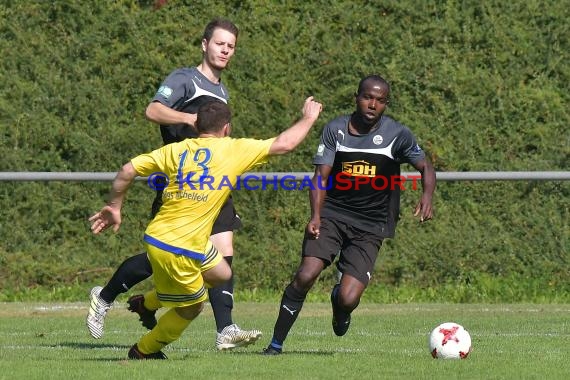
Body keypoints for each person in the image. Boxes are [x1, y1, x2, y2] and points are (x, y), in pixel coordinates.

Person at [89, 97, 323, 359]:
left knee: (221, 273)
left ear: (196, 125)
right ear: (227, 128)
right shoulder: (234, 149)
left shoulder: (176, 150)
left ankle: (146, 303)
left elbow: (127, 169)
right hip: (179, 247)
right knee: (192, 308)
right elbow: (285, 144)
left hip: (170, 238)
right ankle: (143, 351)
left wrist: (114, 206)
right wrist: (309, 117)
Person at [86, 18, 258, 350]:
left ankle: (225, 328)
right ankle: (106, 297)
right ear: (204, 45)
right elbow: (153, 110)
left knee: (224, 251)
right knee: (160, 256)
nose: (225, 50)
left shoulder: (221, 90)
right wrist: (188, 118)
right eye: (219, 43)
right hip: (180, 185)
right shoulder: (185, 79)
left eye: (231, 46)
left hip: (212, 185)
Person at [262, 75, 436, 355]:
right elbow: (320, 176)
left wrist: (427, 196)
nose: (372, 104)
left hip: (371, 225)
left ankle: (339, 304)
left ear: (386, 104)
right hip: (332, 214)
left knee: (348, 297)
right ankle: (275, 344)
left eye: (380, 100)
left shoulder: (397, 134)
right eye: (367, 97)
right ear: (356, 97)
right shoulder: (336, 130)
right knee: (306, 274)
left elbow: (426, 166)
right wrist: (315, 216)